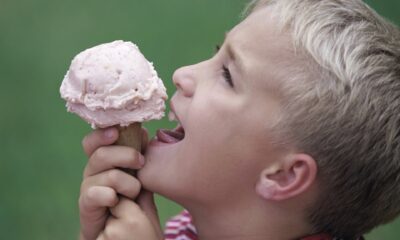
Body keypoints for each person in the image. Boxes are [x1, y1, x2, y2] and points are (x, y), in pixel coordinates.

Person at [77, 0, 400, 239]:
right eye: (217, 51)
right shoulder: (184, 231)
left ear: (284, 175)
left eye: (228, 75)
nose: (182, 75)